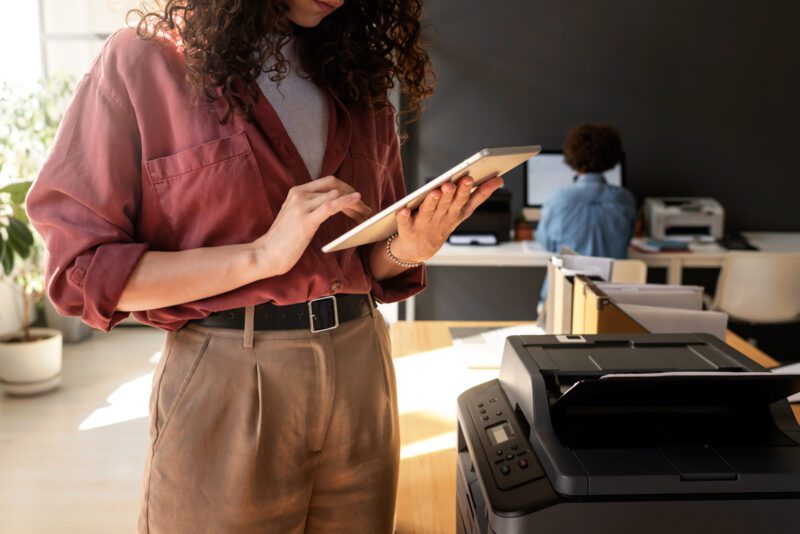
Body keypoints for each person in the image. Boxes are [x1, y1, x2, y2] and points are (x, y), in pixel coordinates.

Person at [24, 1, 504, 532]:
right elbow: (80, 271)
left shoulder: (356, 75)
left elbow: (365, 262)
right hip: (229, 373)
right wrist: (260, 256)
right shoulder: (145, 63)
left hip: (361, 367)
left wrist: (409, 249)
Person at [535, 124, 637, 305]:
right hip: (614, 304)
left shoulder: (558, 199)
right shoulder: (625, 200)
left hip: (563, 301)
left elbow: (547, 243)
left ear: (571, 156)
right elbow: (627, 239)